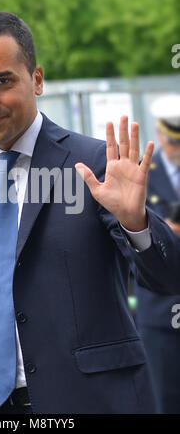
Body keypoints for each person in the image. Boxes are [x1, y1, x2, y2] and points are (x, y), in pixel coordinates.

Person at [0, 11, 180, 414]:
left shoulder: (95, 165)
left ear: (37, 79)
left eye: (3, 81)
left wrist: (136, 223)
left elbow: (168, 278)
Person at [135, 95, 180, 413]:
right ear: (160, 134)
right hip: (161, 312)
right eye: (173, 142)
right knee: (164, 400)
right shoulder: (140, 175)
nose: (178, 151)